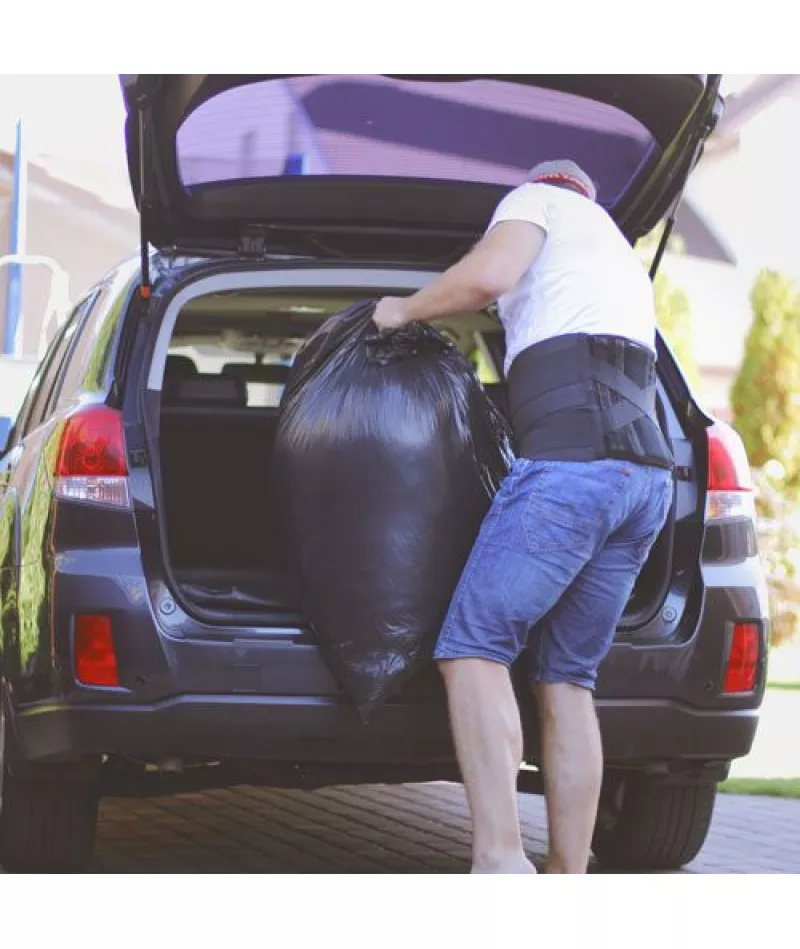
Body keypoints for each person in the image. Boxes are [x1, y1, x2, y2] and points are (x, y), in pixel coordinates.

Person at [372, 159, 675, 874]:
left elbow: (488, 277)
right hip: (646, 478)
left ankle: (501, 860)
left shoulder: (537, 199)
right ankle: (568, 875)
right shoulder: (616, 256)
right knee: (569, 677)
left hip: (574, 466)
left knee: (474, 647)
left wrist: (403, 309)